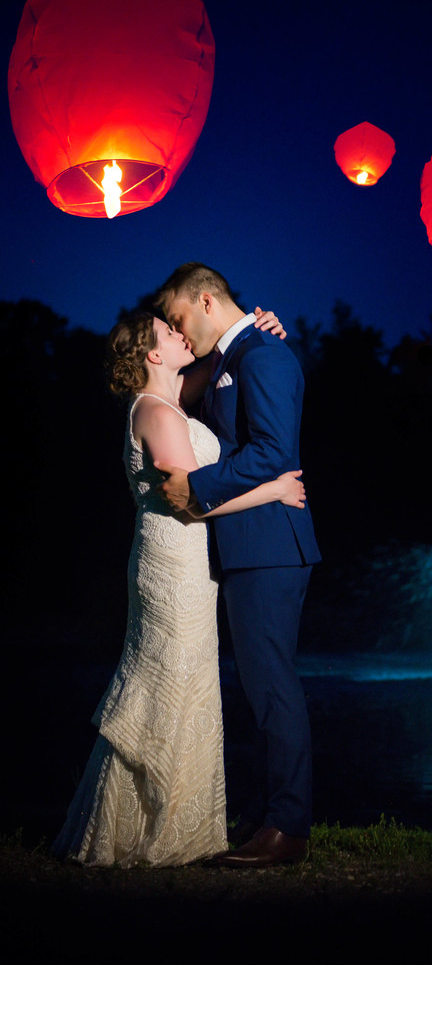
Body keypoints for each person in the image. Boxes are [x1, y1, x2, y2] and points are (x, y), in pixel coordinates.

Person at [53, 307, 302, 868]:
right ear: (152, 354)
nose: (179, 332)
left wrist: (261, 326)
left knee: (183, 682)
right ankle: (149, 829)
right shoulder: (158, 413)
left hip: (187, 564)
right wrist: (275, 491)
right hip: (172, 564)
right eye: (169, 331)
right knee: (168, 682)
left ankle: (166, 822)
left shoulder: (169, 400)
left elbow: (219, 357)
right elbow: (192, 497)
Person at [155, 262, 321, 868]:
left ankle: (288, 829)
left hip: (271, 546)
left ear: (204, 300)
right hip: (250, 546)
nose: (179, 331)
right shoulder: (235, 355)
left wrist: (195, 484)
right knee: (261, 688)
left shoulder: (263, 356)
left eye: (179, 319)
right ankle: (273, 816)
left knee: (274, 688)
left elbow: (276, 454)